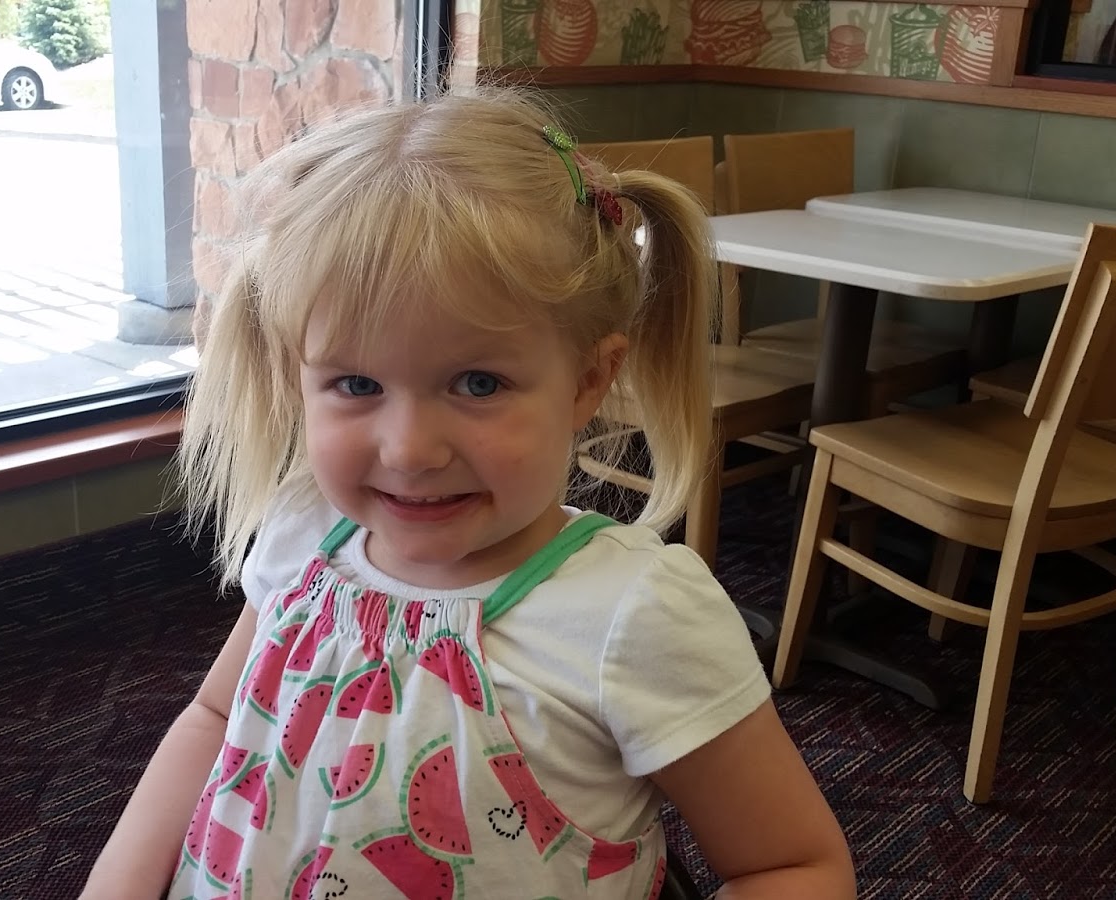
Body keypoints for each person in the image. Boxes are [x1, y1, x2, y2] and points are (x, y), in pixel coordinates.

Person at [81, 87, 854, 899]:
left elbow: (794, 864)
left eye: (478, 383)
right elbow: (215, 719)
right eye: (356, 383)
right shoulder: (304, 531)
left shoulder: (634, 617)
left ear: (588, 380)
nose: (410, 451)